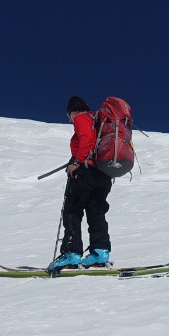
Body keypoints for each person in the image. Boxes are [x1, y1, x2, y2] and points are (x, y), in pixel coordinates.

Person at [48, 96, 114, 271]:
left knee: (72, 211)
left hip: (86, 173)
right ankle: (99, 253)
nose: (70, 119)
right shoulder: (97, 122)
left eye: (68, 115)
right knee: (96, 213)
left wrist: (76, 162)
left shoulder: (81, 118)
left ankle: (71, 254)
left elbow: (85, 139)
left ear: (73, 111)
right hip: (103, 174)